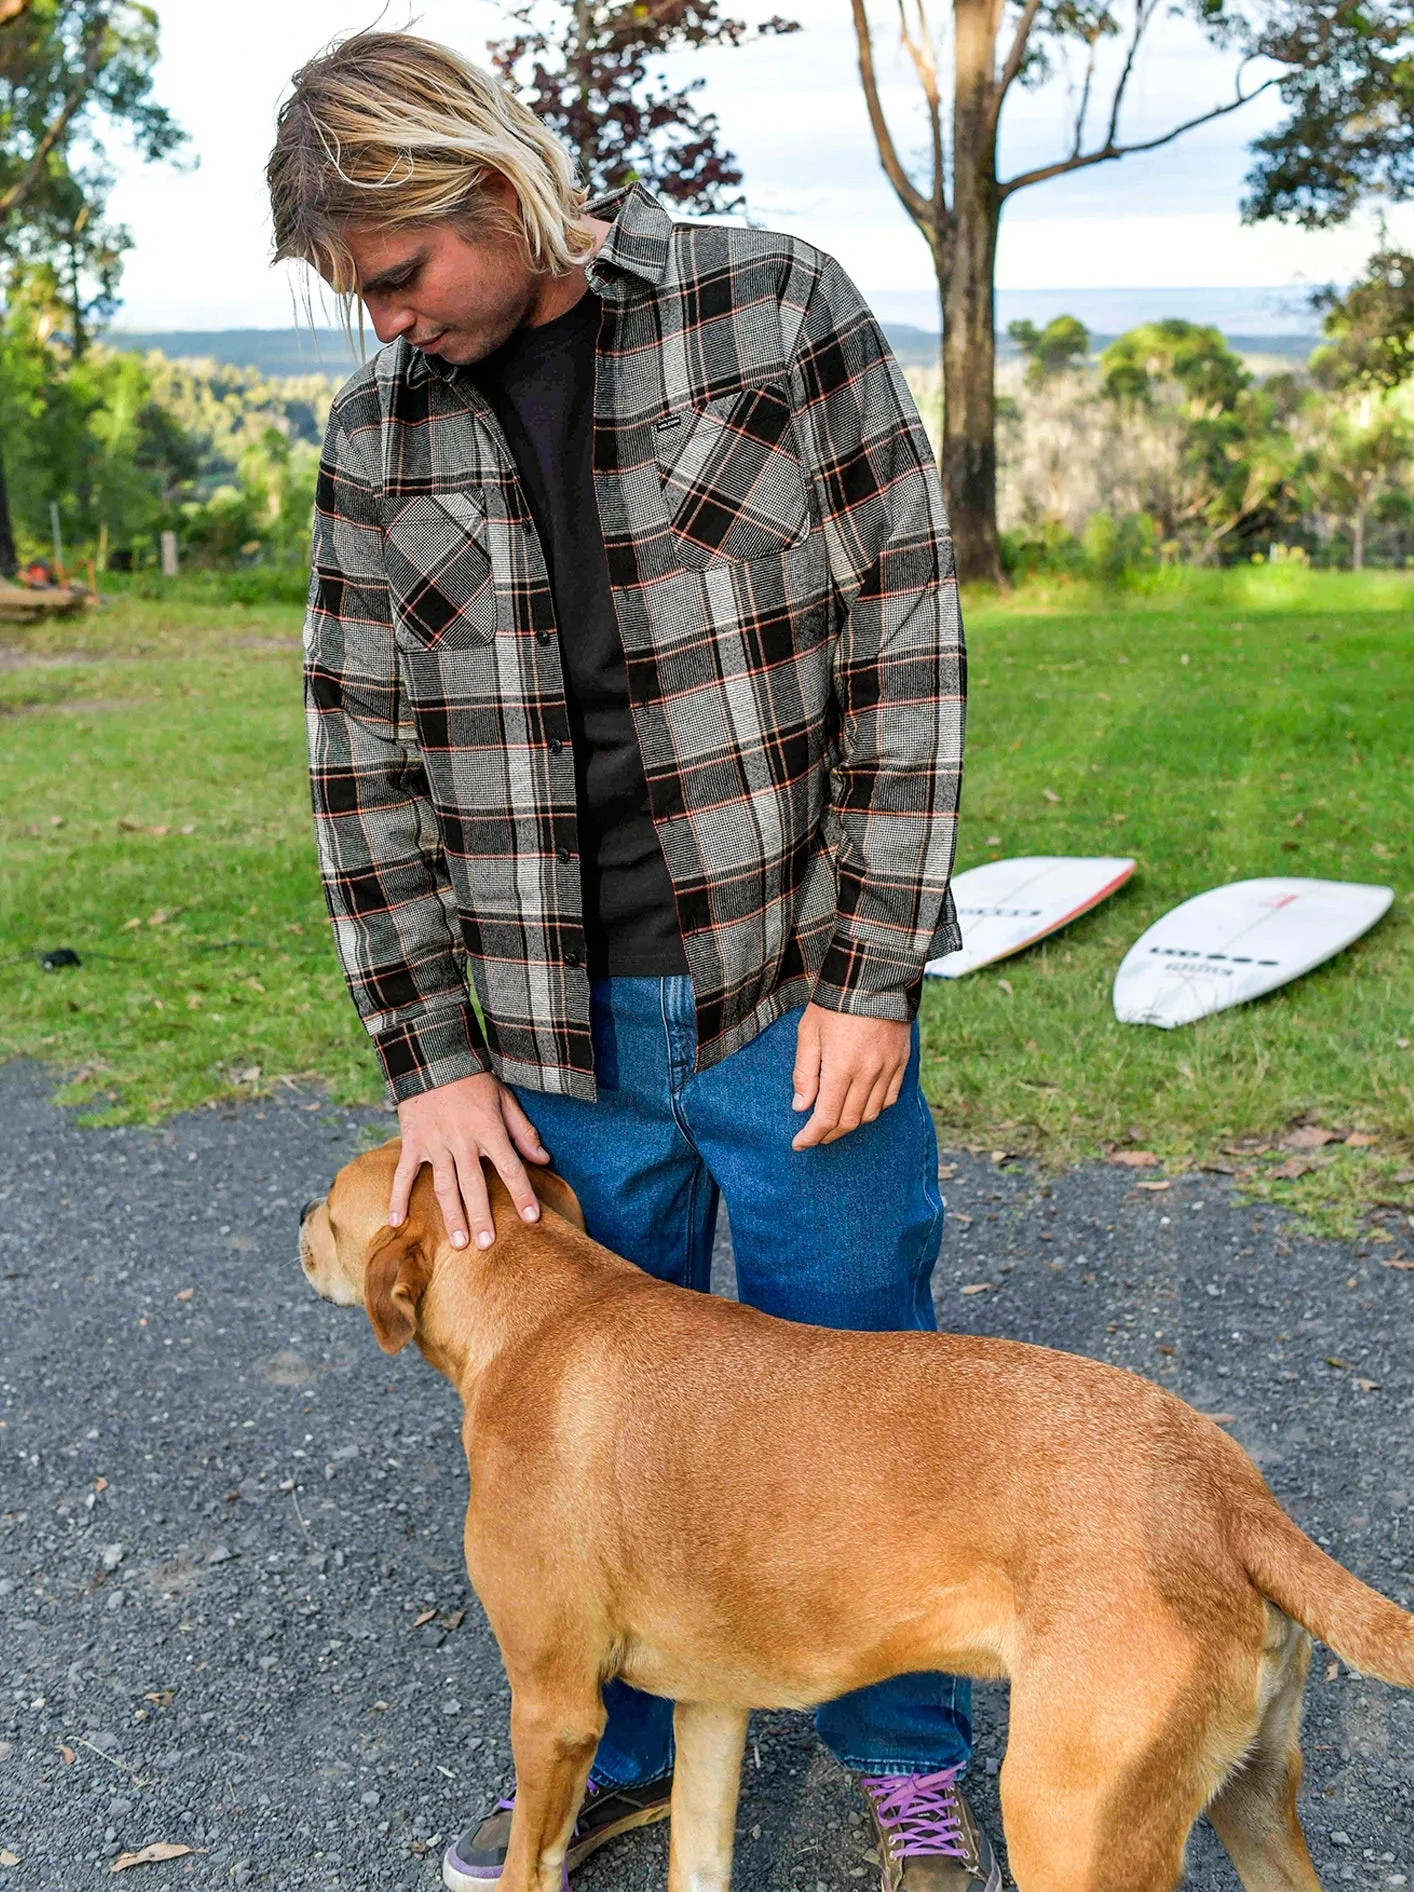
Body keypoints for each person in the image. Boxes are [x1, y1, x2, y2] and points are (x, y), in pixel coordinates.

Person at [268, 30, 986, 1892]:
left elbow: (907, 640)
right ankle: (634, 1748)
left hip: (788, 999)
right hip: (546, 1039)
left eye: (400, 278)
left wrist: (874, 970)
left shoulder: (773, 309)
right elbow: (360, 763)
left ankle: (916, 1774)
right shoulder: (378, 439)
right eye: (358, 301)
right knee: (596, 1446)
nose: (387, 327)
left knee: (866, 1395)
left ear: (486, 187)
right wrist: (432, 1058)